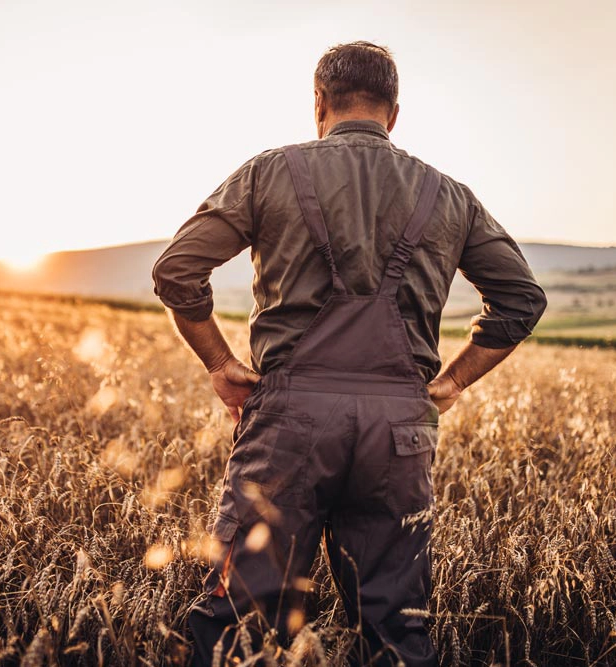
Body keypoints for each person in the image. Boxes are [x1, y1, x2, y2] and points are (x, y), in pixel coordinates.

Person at [151, 41, 546, 666]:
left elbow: (177, 271)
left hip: (289, 424)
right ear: (394, 114)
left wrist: (220, 365)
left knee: (242, 626)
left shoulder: (269, 172)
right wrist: (453, 383)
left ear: (319, 105)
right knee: (396, 629)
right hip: (400, 432)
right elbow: (522, 300)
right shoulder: (449, 196)